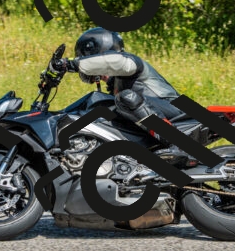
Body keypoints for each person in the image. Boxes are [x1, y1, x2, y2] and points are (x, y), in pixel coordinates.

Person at [49, 28, 190, 158]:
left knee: (126, 97)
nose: (98, 74)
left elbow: (116, 62)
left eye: (91, 59)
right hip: (149, 126)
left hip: (174, 111)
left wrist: (69, 64)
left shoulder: (130, 63)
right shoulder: (115, 86)